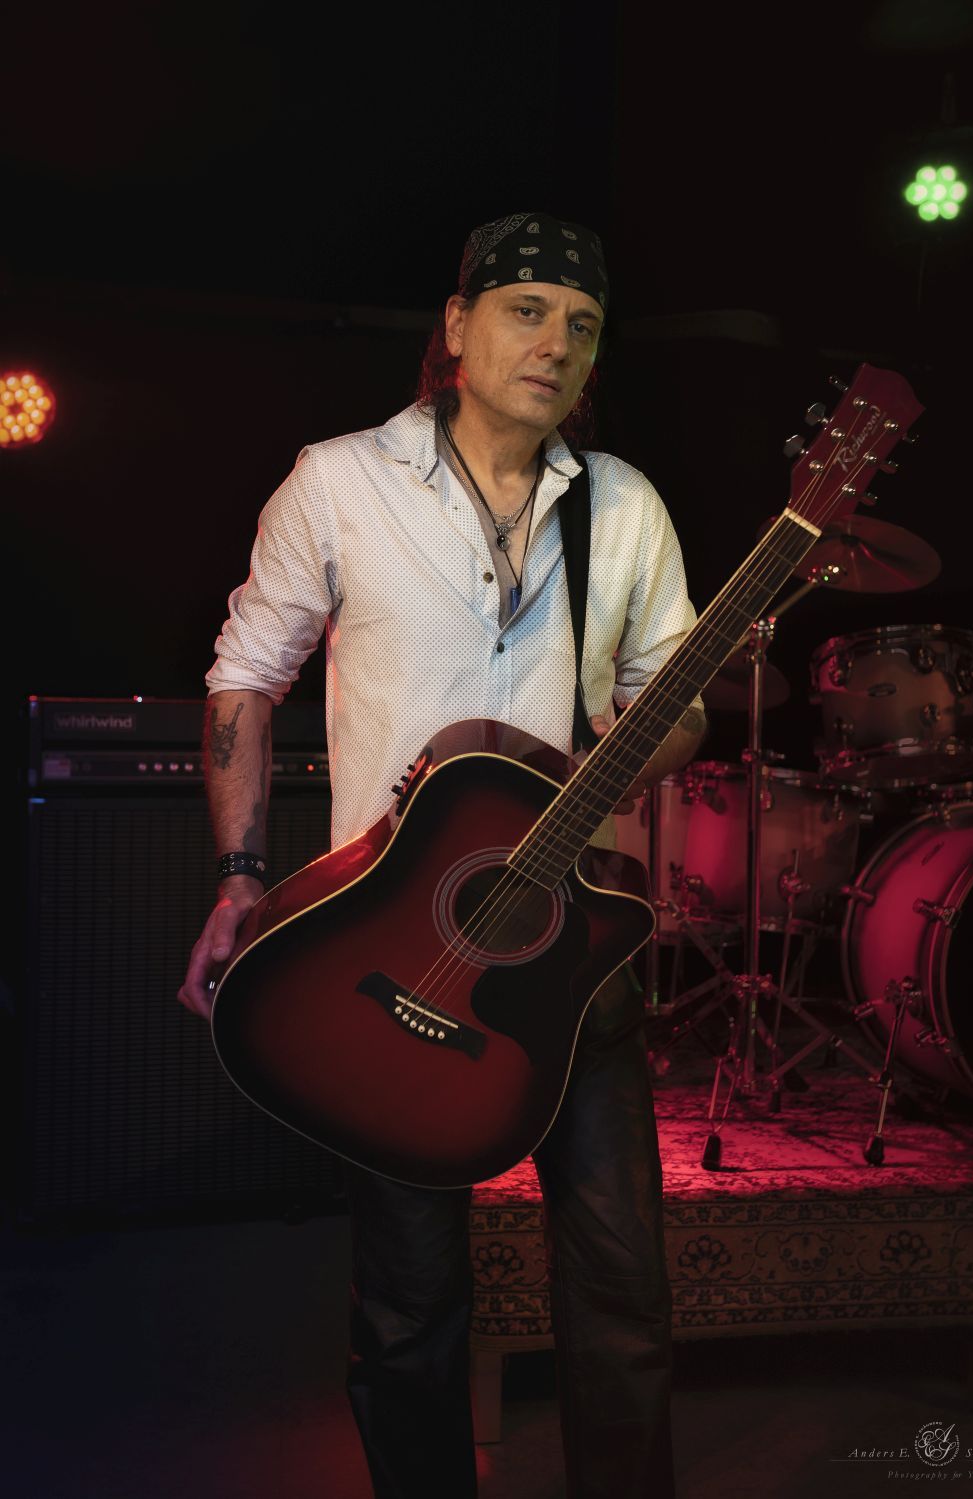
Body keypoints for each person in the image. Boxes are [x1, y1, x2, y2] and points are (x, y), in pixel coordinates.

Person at [178, 211, 705, 1499]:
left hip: (568, 953)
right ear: (457, 325)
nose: (557, 343)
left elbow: (677, 704)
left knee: (625, 1297)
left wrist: (643, 740)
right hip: (390, 958)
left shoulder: (624, 505)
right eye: (528, 310)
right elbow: (245, 679)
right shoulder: (339, 482)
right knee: (409, 1305)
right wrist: (242, 879)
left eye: (583, 325)